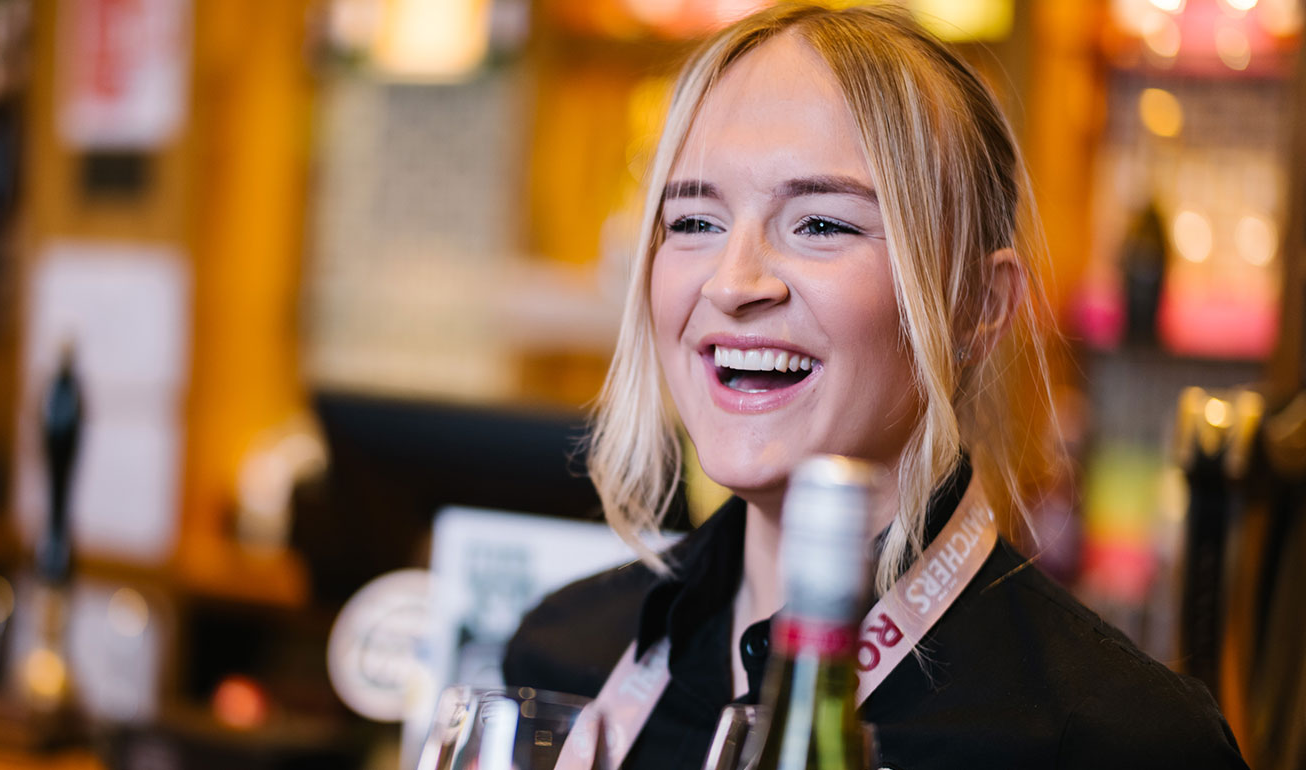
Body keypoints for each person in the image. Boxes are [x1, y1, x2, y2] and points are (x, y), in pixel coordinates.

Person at [502, 4, 1249, 769]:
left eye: (821, 225)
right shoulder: (560, 661)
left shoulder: (1118, 741)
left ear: (977, 308)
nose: (732, 283)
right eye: (694, 222)